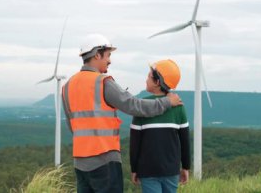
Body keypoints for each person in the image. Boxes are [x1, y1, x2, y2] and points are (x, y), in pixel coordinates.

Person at [61, 34, 183, 193]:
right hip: (104, 160)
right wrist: (167, 102)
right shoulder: (102, 82)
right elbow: (134, 105)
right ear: (97, 54)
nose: (109, 60)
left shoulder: (67, 86)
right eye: (108, 55)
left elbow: (72, 125)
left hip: (80, 163)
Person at [130, 59, 190, 193]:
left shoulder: (142, 106)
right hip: (171, 170)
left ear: (157, 82)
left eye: (148, 76)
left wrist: (134, 169)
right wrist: (186, 167)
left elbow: (135, 143)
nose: (146, 80)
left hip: (147, 170)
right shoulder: (178, 107)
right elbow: (185, 141)